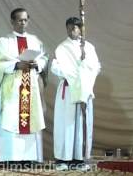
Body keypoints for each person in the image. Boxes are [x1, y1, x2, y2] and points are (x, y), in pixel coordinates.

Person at [0, 8, 48, 163]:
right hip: (13, 89)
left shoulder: (35, 41)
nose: (23, 23)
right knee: (11, 120)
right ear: (12, 22)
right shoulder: (4, 42)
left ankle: (30, 157)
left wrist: (38, 64)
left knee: (31, 120)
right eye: (19, 20)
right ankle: (10, 157)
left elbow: (45, 58)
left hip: (31, 87)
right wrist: (16, 65)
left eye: (25, 20)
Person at [50, 17, 101, 171]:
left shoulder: (89, 47)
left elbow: (96, 66)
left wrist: (85, 69)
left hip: (84, 90)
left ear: (81, 29)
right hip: (68, 90)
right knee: (65, 125)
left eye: (76, 28)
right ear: (66, 28)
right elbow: (55, 67)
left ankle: (79, 159)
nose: (73, 31)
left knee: (81, 126)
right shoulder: (62, 48)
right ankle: (62, 159)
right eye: (70, 28)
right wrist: (71, 74)